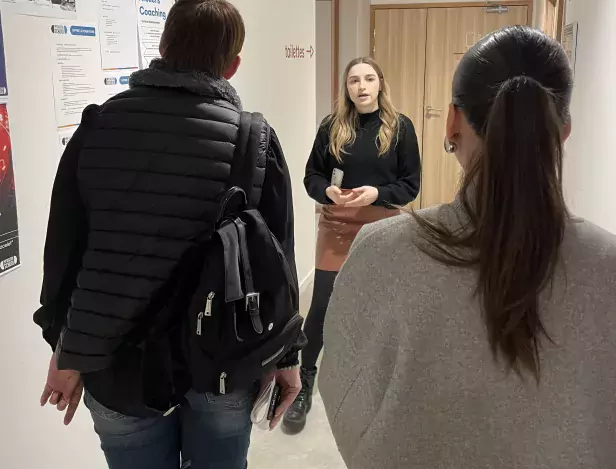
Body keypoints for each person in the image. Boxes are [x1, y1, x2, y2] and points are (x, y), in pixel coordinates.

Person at [319, 26, 616, 469]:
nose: (361, 87)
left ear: (453, 121)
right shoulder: (607, 266)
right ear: (564, 130)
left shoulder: (385, 251)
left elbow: (345, 395)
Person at [34, 1, 303, 468]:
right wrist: (286, 357)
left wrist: (66, 351)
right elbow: (277, 260)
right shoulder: (251, 139)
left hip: (114, 364)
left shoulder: (97, 126)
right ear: (232, 65)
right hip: (221, 359)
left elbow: (63, 253)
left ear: (161, 45)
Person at [283, 57, 421, 434]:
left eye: (369, 79)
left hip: (382, 228)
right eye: (354, 81)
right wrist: (325, 190)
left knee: (380, 307)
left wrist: (376, 193)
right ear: (346, 88)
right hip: (338, 226)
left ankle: (378, 385)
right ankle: (303, 382)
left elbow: (411, 185)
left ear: (380, 84)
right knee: (323, 306)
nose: (361, 86)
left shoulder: (400, 127)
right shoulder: (332, 126)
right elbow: (312, 174)